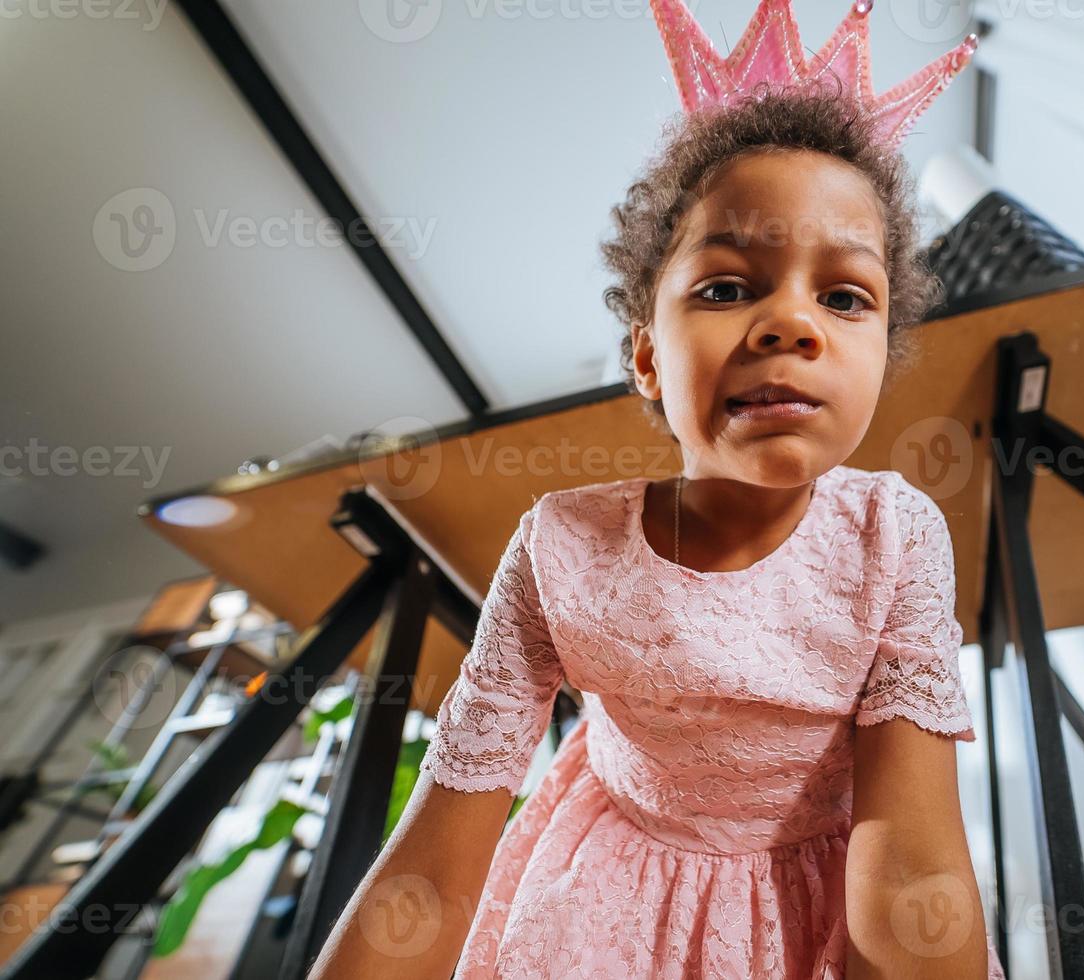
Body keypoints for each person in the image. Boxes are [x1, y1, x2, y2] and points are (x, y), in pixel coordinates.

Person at [311, 2, 1003, 976]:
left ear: (880, 357)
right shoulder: (559, 546)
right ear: (645, 354)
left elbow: (910, 864)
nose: (789, 322)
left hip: (822, 908)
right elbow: (433, 864)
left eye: (843, 296)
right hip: (600, 905)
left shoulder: (896, 535)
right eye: (728, 286)